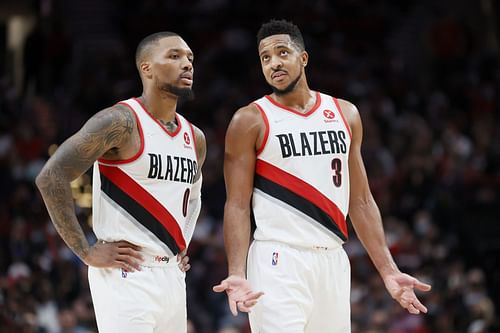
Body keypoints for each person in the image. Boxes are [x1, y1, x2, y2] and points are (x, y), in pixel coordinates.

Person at [213, 19, 432, 332]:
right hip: (278, 258)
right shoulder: (249, 120)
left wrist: (388, 271)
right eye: (265, 57)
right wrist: (236, 271)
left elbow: (361, 200)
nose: (273, 62)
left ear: (303, 58)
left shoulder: (345, 114)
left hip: (332, 259)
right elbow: (236, 204)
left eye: (281, 52)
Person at [36, 31, 206, 332]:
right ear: (146, 67)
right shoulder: (120, 121)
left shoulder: (195, 137)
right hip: (126, 273)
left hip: (172, 276)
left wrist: (180, 245)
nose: (187, 64)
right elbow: (51, 176)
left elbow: (192, 198)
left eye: (190, 58)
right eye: (174, 56)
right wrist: (86, 252)